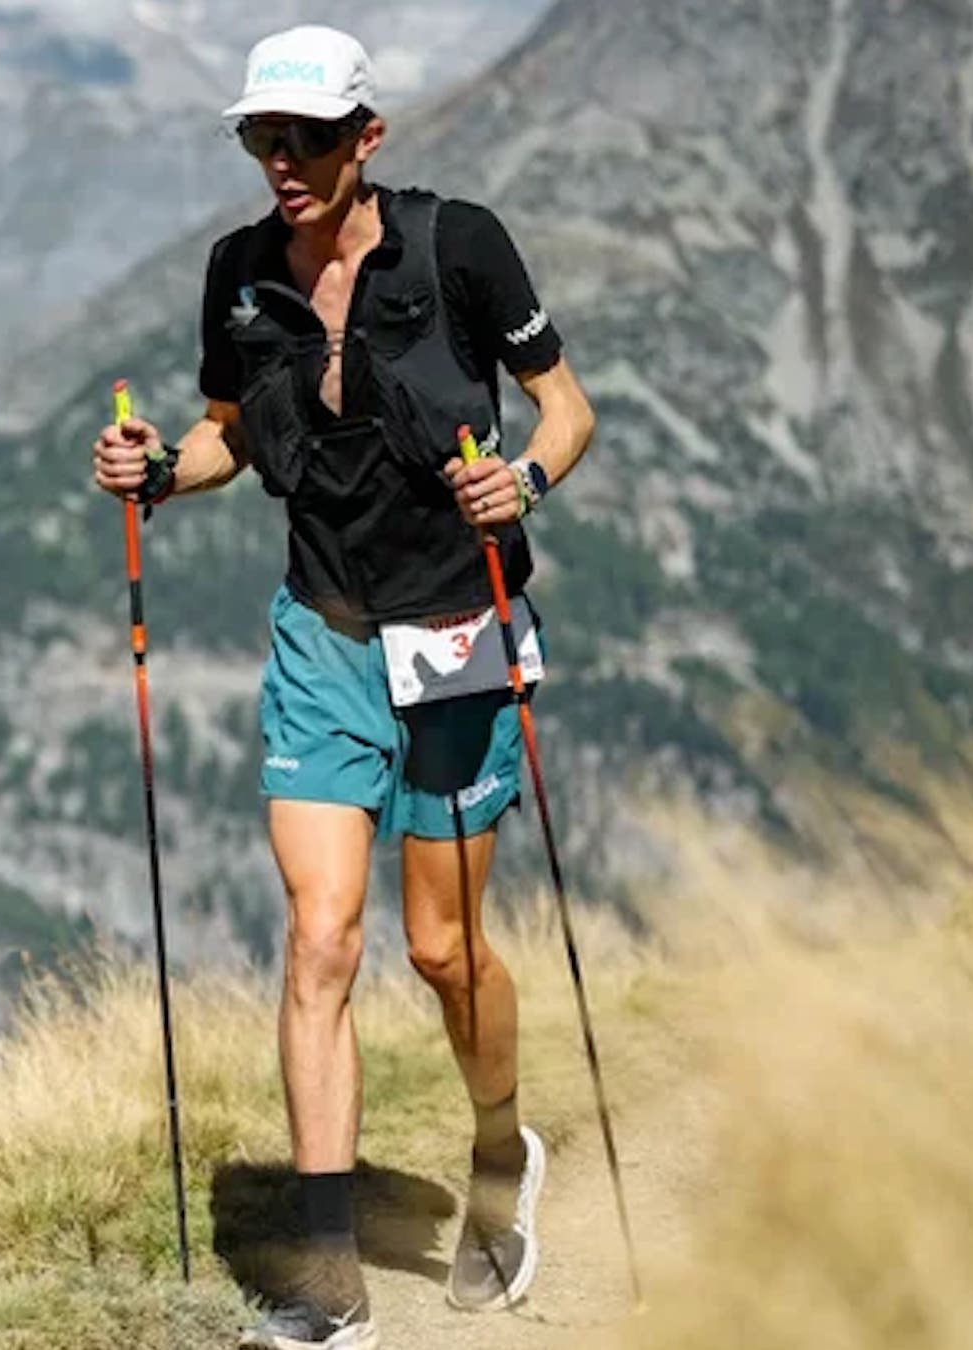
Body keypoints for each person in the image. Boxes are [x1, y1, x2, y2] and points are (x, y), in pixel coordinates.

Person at [91, 23, 596, 1350]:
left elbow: (567, 408)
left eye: (308, 137)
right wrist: (155, 470)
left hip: (455, 632)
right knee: (320, 935)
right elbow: (225, 436)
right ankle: (327, 1278)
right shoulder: (238, 274)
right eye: (264, 137)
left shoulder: (459, 246)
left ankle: (499, 1154)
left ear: (365, 136)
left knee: (440, 948)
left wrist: (524, 481)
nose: (283, 161)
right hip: (318, 636)